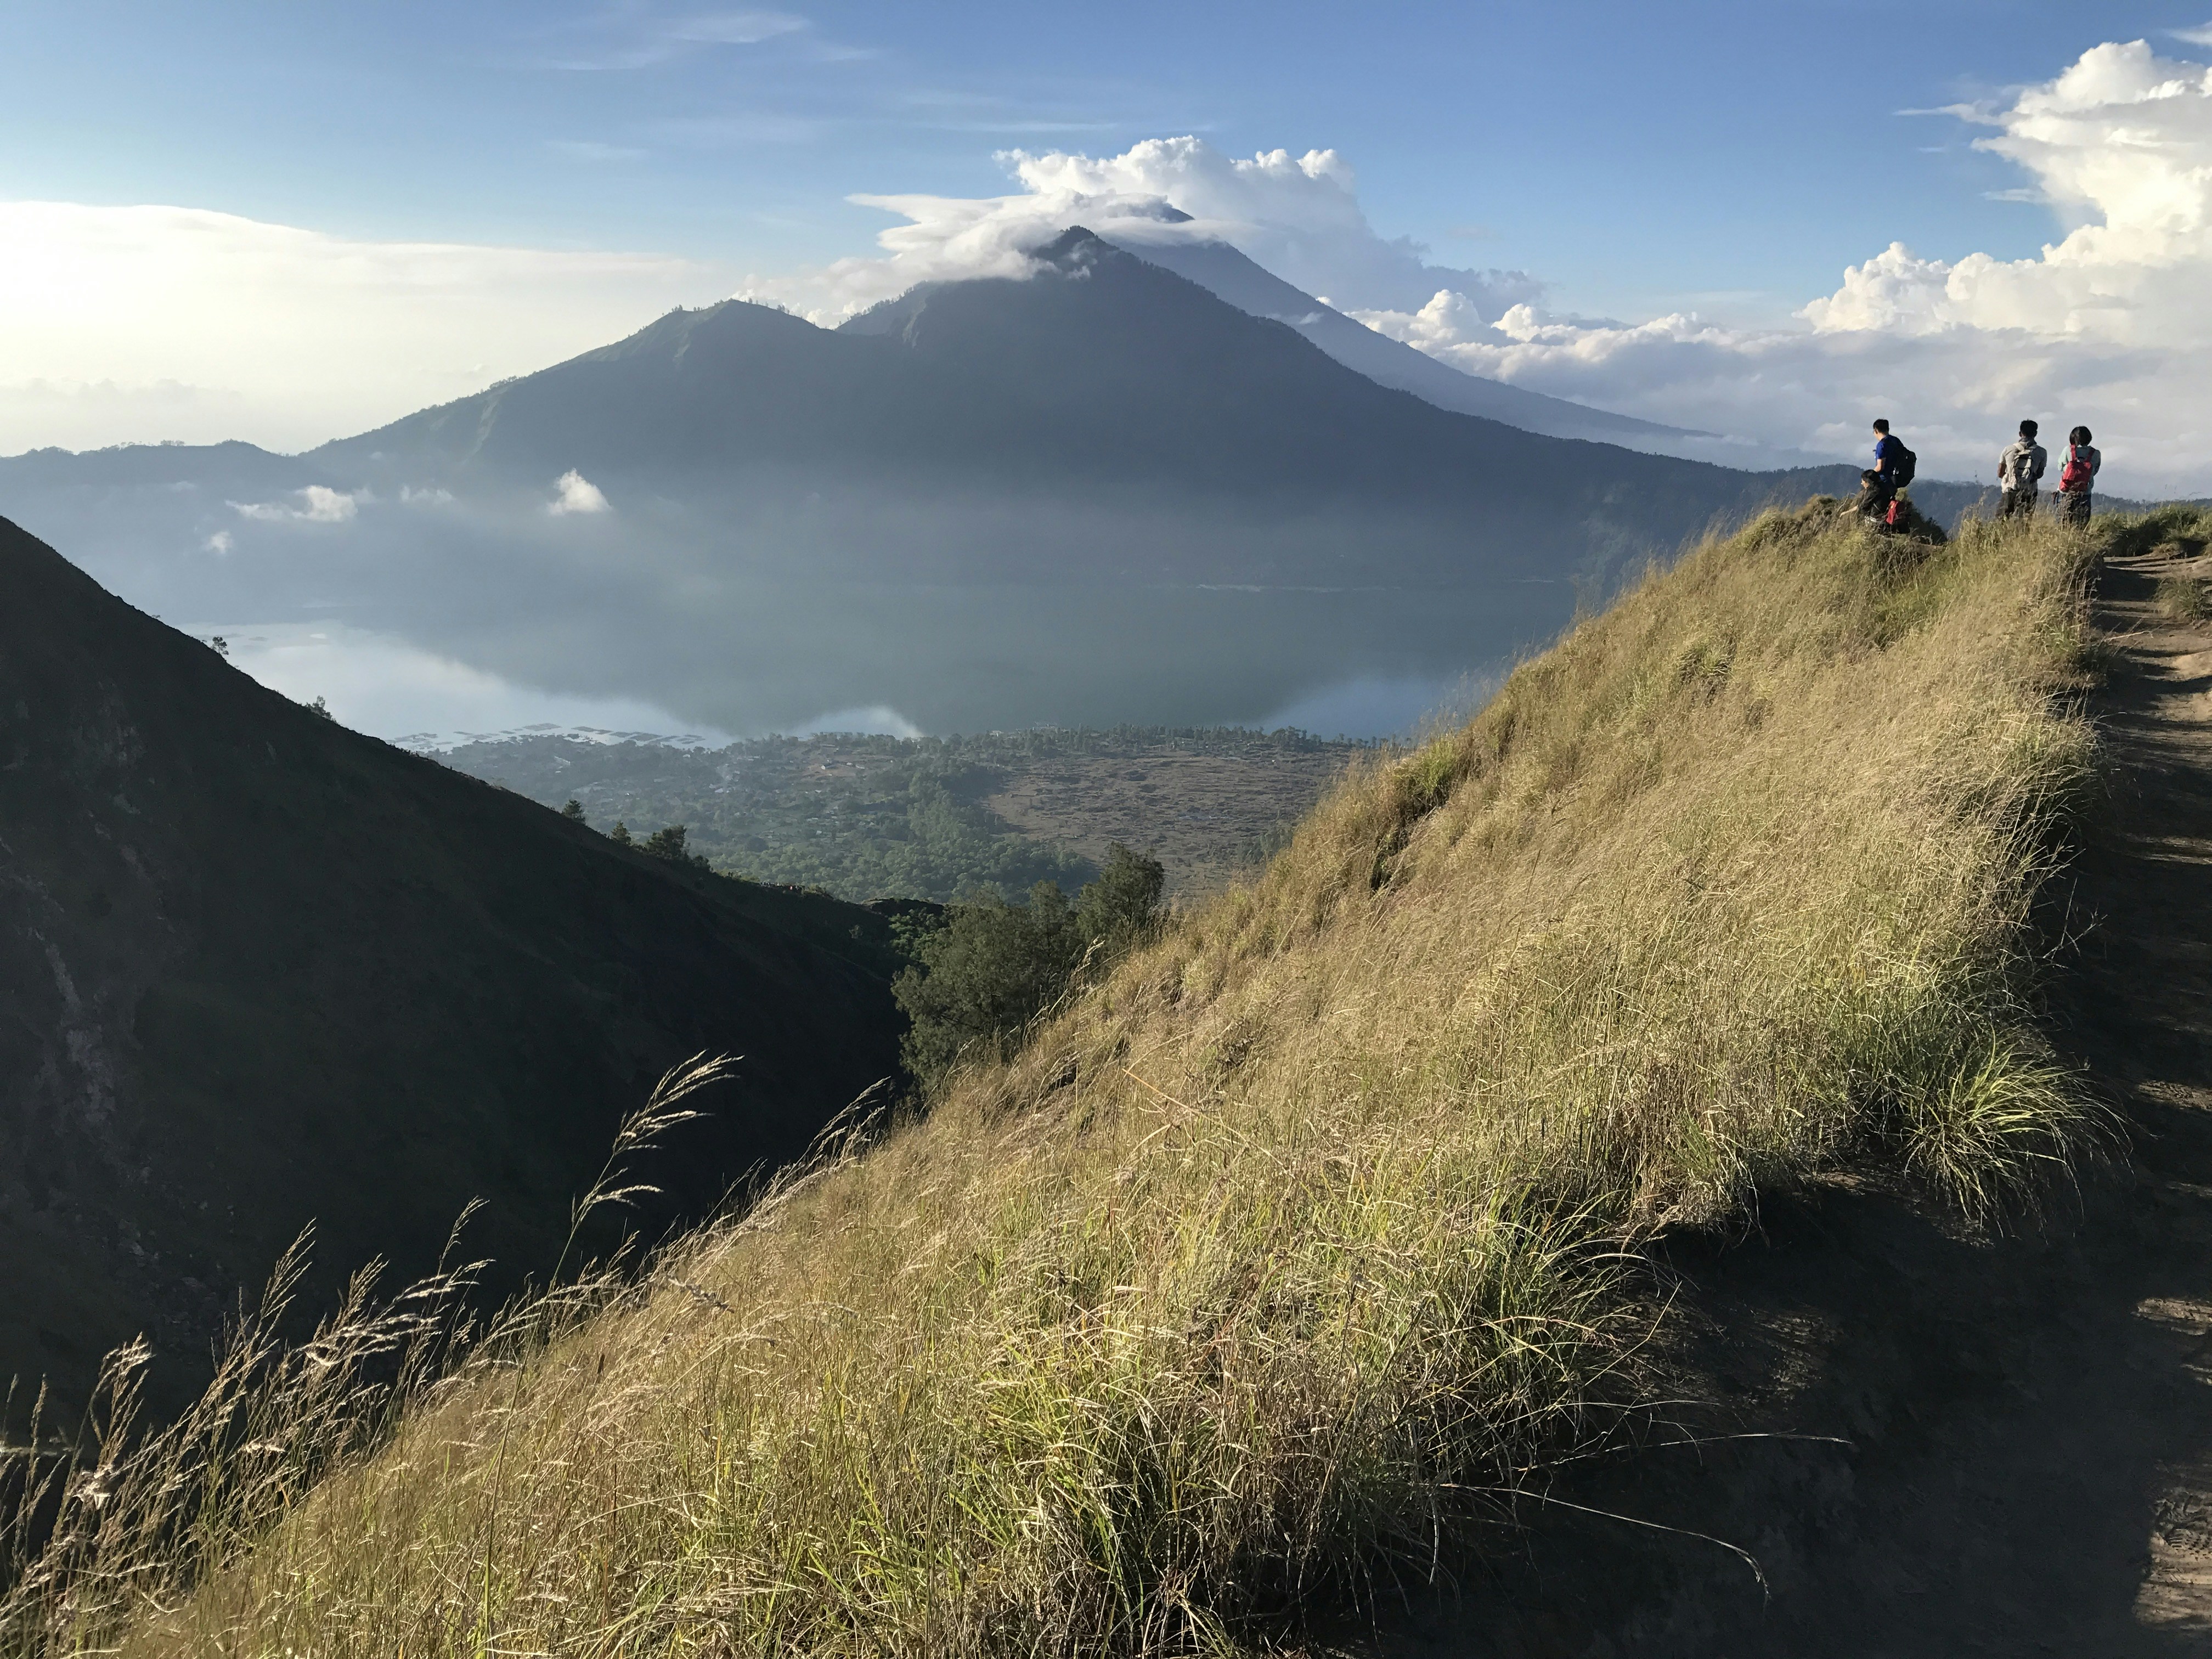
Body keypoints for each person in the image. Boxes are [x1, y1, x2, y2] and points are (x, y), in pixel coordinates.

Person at [1997, 420, 2046, 520]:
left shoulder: (2008, 449)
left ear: (2020, 434)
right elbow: (2040, 474)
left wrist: (2011, 478)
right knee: (2025, 521)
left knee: (2002, 519)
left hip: (2010, 488)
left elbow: (2000, 473)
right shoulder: (2042, 452)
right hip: (2030, 490)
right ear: (2036, 434)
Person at [2056, 425, 2101, 527]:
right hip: (2085, 492)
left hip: (2066, 491)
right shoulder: (2096, 453)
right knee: (2081, 524)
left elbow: (2060, 467)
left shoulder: (2068, 450)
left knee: (2062, 523)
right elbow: (2095, 471)